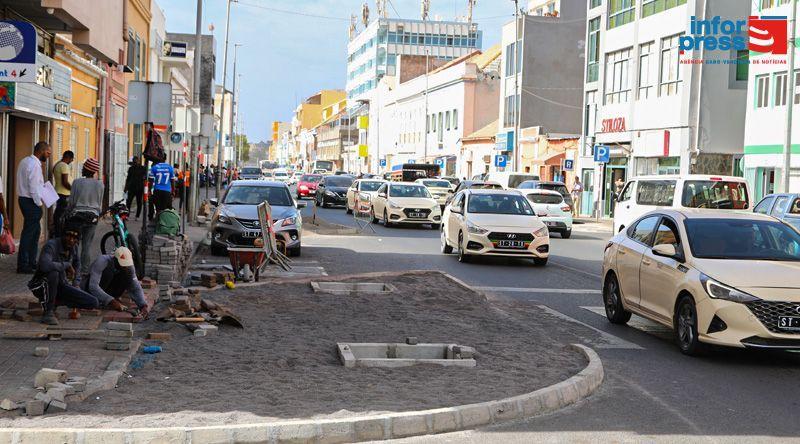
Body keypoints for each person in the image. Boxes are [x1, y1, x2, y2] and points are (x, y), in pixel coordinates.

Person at [34, 222, 115, 325]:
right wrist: (66, 265)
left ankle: (55, 301)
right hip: (41, 286)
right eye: (68, 236)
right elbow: (44, 265)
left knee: (93, 302)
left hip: (61, 285)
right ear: (63, 235)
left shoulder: (74, 247)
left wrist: (76, 283)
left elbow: (77, 265)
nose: (71, 240)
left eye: (74, 238)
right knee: (53, 273)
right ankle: (48, 311)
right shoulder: (51, 245)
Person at [83, 247, 149, 319]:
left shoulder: (128, 266)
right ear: (115, 259)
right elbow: (93, 286)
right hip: (89, 290)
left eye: (126, 265)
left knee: (127, 273)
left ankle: (109, 298)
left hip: (109, 290)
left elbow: (135, 287)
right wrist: (111, 301)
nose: (125, 267)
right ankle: (101, 300)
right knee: (109, 271)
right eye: (122, 264)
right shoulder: (102, 261)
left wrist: (143, 305)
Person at [17, 141, 51, 274]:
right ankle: (24, 264)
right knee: (29, 233)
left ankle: (31, 262)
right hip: (31, 201)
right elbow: (34, 187)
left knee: (35, 232)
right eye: (48, 153)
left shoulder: (25, 161)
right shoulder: (35, 165)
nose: (48, 156)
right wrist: (39, 203)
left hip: (24, 199)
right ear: (41, 151)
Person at [69, 158, 104, 275]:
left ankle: (73, 268)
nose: (82, 168)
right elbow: (99, 203)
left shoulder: (76, 182)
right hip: (92, 216)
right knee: (87, 245)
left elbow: (72, 202)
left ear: (87, 169)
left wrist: (68, 213)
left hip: (77, 216)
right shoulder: (100, 184)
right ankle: (84, 271)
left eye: (84, 167)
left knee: (74, 243)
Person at [51, 150, 74, 236]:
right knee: (62, 215)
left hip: (58, 192)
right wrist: (73, 189)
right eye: (71, 160)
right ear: (69, 158)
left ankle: (57, 232)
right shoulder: (64, 166)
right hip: (64, 194)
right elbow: (65, 182)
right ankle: (59, 233)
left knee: (58, 214)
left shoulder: (57, 164)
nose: (71, 162)